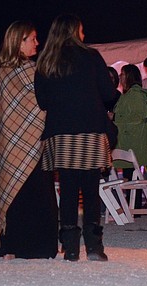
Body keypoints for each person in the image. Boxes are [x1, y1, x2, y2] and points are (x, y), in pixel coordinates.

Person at [0, 21, 58, 259]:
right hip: (14, 147)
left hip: (23, 146)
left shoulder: (17, 71)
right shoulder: (7, 72)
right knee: (22, 197)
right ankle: (19, 247)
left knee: (24, 196)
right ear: (19, 41)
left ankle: (17, 247)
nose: (37, 43)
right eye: (33, 38)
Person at [34, 14, 117, 261]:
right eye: (81, 30)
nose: (83, 35)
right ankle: (94, 247)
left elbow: (42, 101)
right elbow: (108, 93)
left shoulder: (46, 61)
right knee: (91, 189)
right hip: (90, 130)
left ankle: (69, 247)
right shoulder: (91, 57)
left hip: (60, 133)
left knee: (68, 190)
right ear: (72, 31)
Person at [113, 64, 147, 184]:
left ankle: (136, 201)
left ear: (129, 76)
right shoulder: (129, 94)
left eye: (122, 74)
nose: (120, 77)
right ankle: (134, 201)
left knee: (133, 178)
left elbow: (138, 117)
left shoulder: (135, 94)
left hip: (134, 141)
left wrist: (114, 117)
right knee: (132, 177)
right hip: (131, 141)